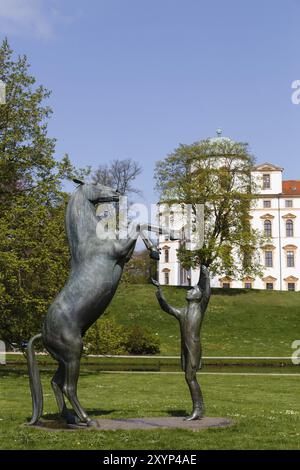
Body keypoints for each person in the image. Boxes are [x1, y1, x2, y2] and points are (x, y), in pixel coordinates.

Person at [151, 265, 211, 420]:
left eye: (192, 290)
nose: (188, 290)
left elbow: (207, 292)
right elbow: (166, 308)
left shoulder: (200, 308)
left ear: (198, 296)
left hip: (194, 348)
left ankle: (197, 409)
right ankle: (199, 408)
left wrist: (205, 274)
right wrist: (159, 291)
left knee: (190, 377)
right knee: (189, 377)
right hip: (185, 349)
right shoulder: (183, 312)